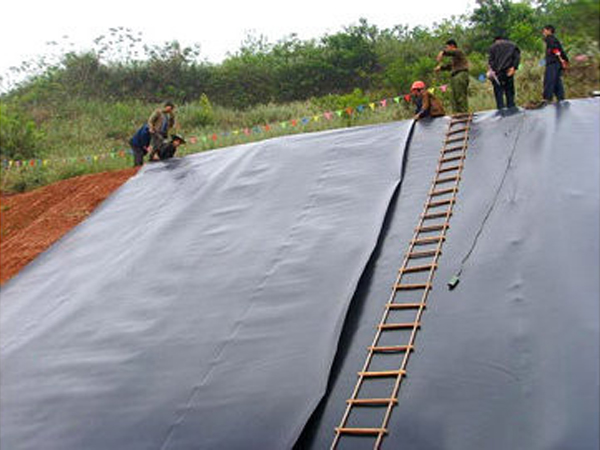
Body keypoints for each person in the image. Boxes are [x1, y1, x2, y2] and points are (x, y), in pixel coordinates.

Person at [435, 39, 470, 113]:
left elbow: (452, 52)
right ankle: (457, 114)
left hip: (460, 75)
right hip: (454, 77)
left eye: (447, 47)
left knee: (460, 97)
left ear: (452, 46)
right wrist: (441, 68)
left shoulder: (458, 52)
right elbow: (450, 66)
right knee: (454, 98)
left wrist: (443, 52)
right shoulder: (454, 58)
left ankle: (464, 114)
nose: (446, 49)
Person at [488, 36, 521, 109]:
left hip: (497, 73)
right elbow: (517, 57)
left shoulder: (492, 47)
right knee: (509, 91)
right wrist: (514, 67)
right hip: (509, 71)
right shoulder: (512, 45)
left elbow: (491, 61)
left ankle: (501, 110)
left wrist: (493, 70)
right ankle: (511, 108)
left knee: (498, 93)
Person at [542, 25, 569, 103]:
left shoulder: (550, 38)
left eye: (544, 31)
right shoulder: (554, 39)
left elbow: (555, 49)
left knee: (549, 80)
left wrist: (561, 60)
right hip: (556, 63)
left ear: (549, 30)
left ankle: (547, 98)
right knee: (557, 81)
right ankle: (561, 98)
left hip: (553, 63)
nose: (543, 33)